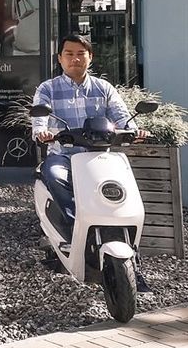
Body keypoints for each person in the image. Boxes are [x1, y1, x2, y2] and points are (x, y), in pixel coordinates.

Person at [32, 35, 148, 234]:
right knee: (54, 175)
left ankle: (118, 228)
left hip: (99, 156)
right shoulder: (47, 89)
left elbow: (121, 116)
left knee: (120, 184)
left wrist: (133, 131)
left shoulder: (104, 88)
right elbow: (39, 117)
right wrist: (41, 131)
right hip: (63, 155)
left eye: (80, 54)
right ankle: (73, 226)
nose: (75, 59)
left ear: (90, 57)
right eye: (69, 54)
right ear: (59, 58)